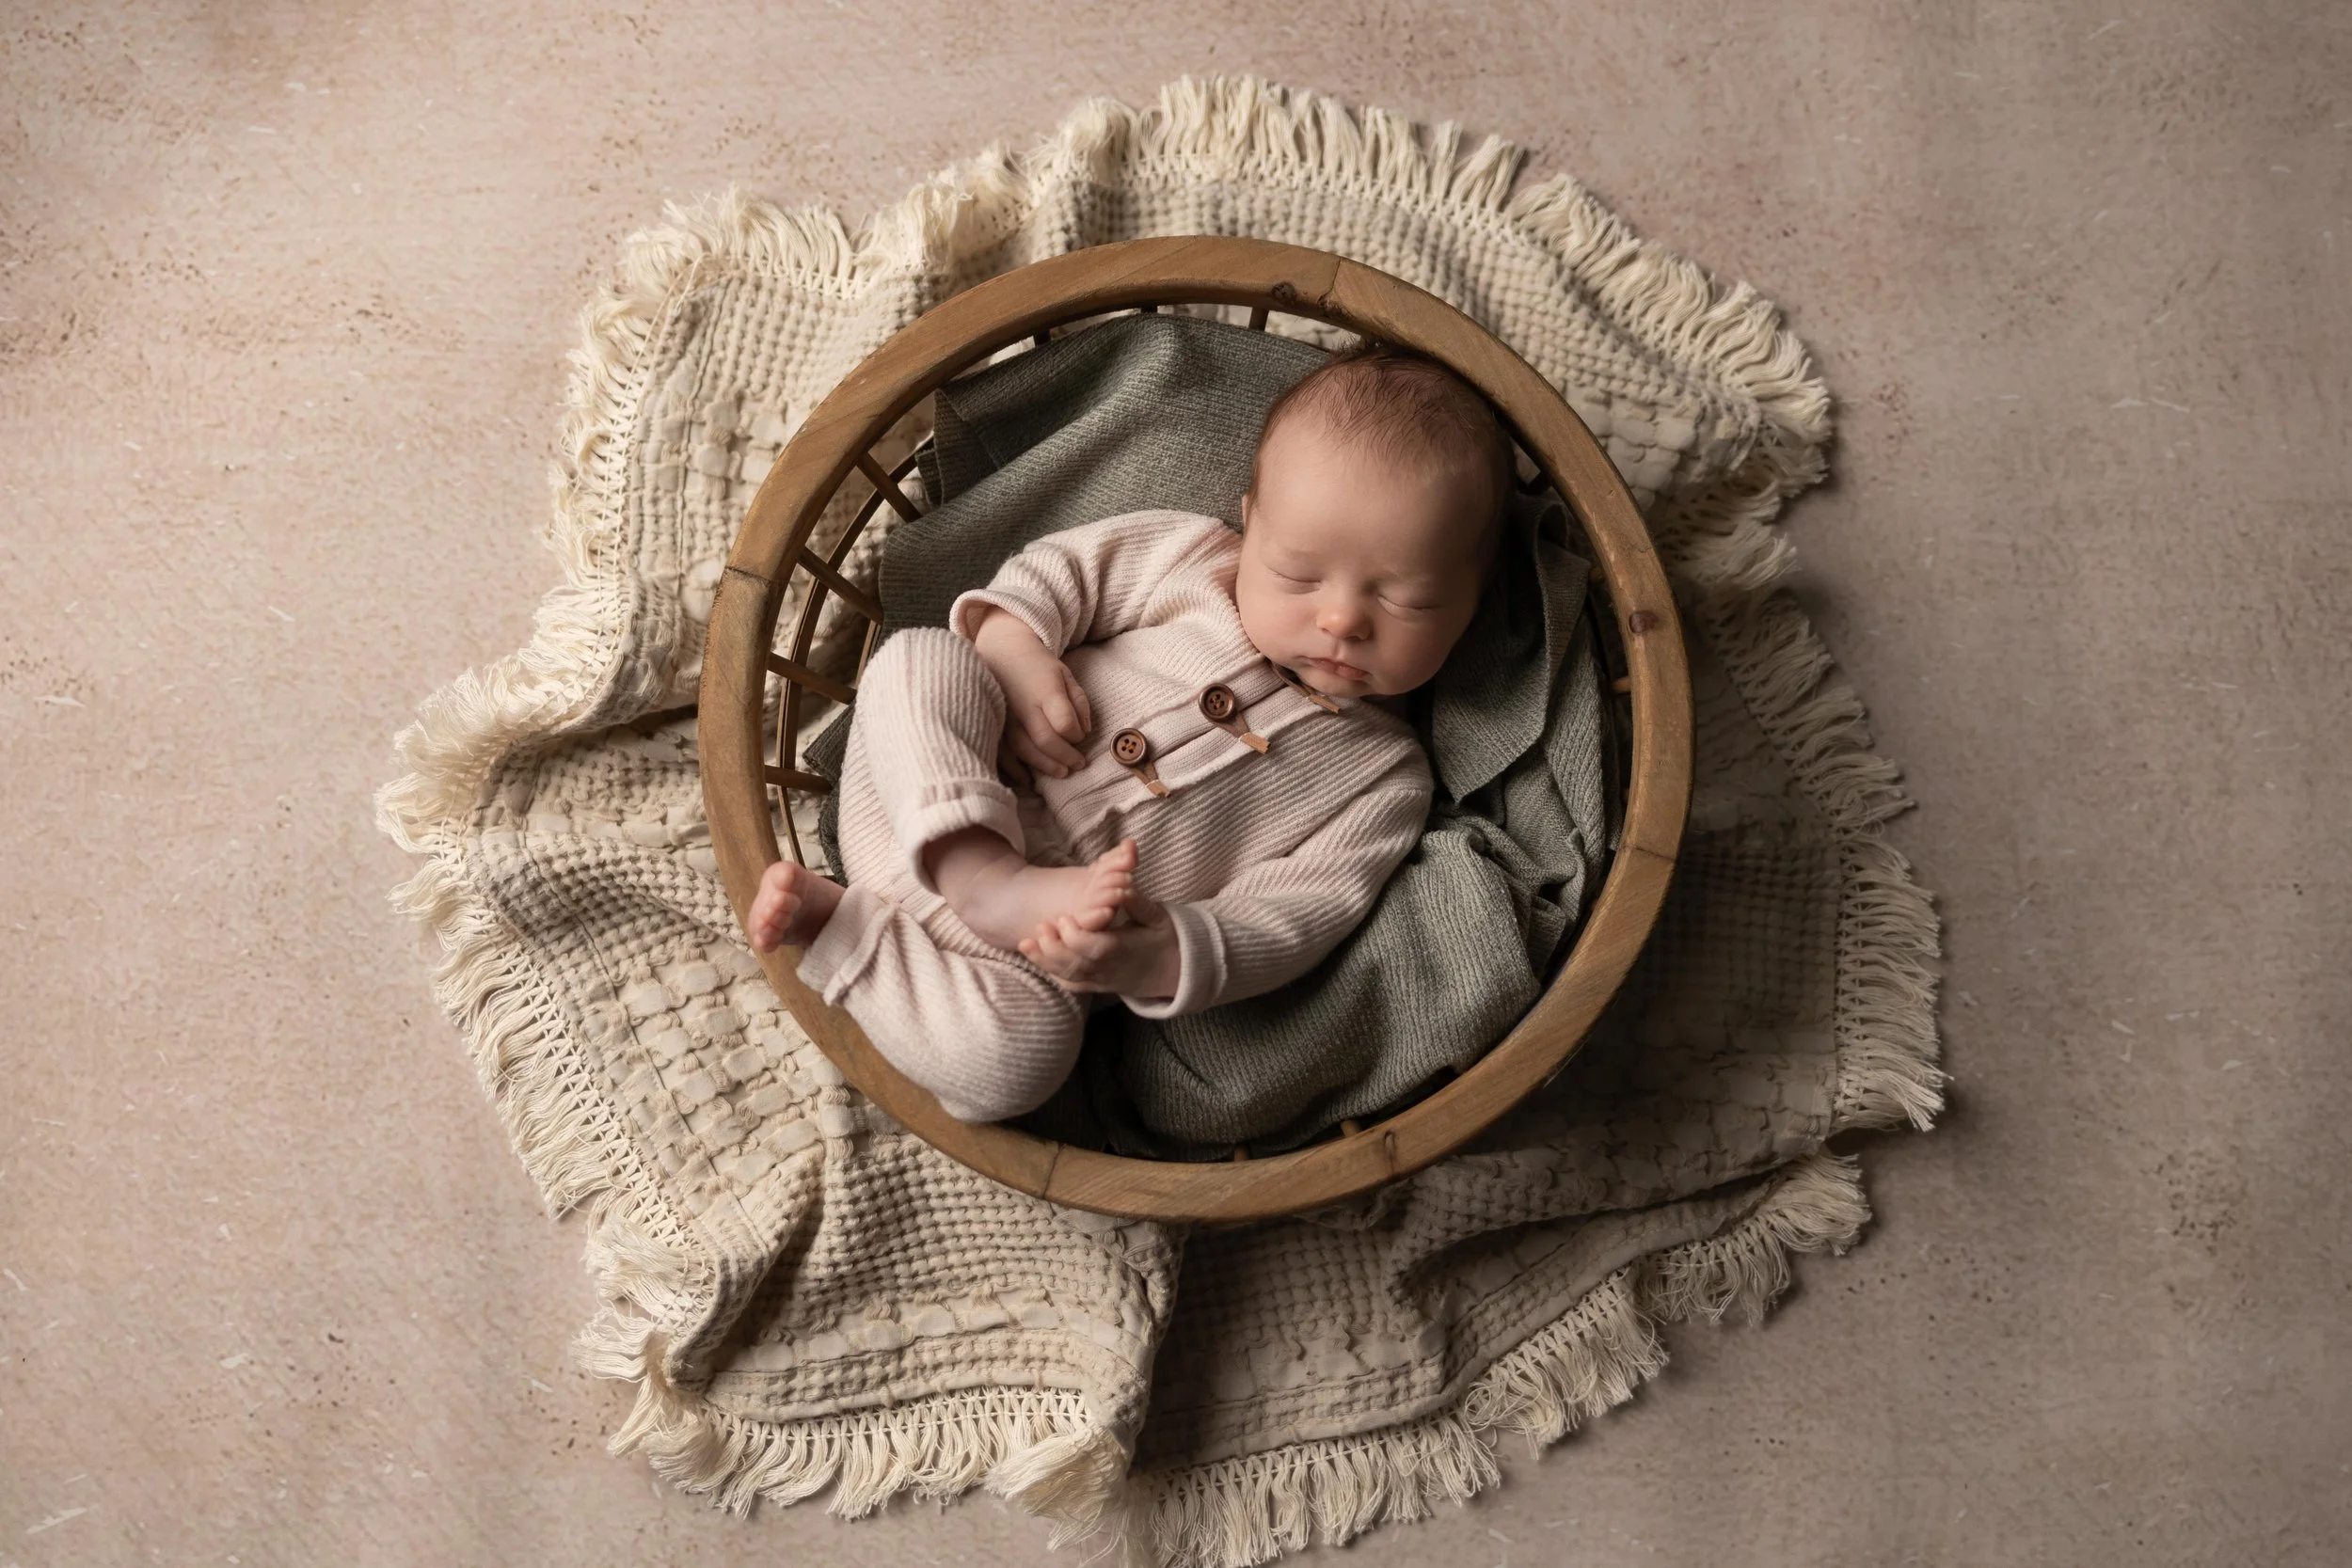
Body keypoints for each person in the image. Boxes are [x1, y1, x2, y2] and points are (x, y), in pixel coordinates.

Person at [746, 344, 1514, 1122]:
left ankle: (840, 932)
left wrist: (1155, 952)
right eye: (1300, 574)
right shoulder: (1193, 563)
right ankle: (980, 872)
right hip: (914, 804)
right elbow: (1064, 572)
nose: (1342, 618)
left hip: (1033, 959)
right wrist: (1017, 651)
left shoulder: (1387, 778)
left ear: (1473, 602)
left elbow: (1299, 911)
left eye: (1407, 601)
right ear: (1251, 526)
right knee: (922, 661)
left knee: (1020, 1064)